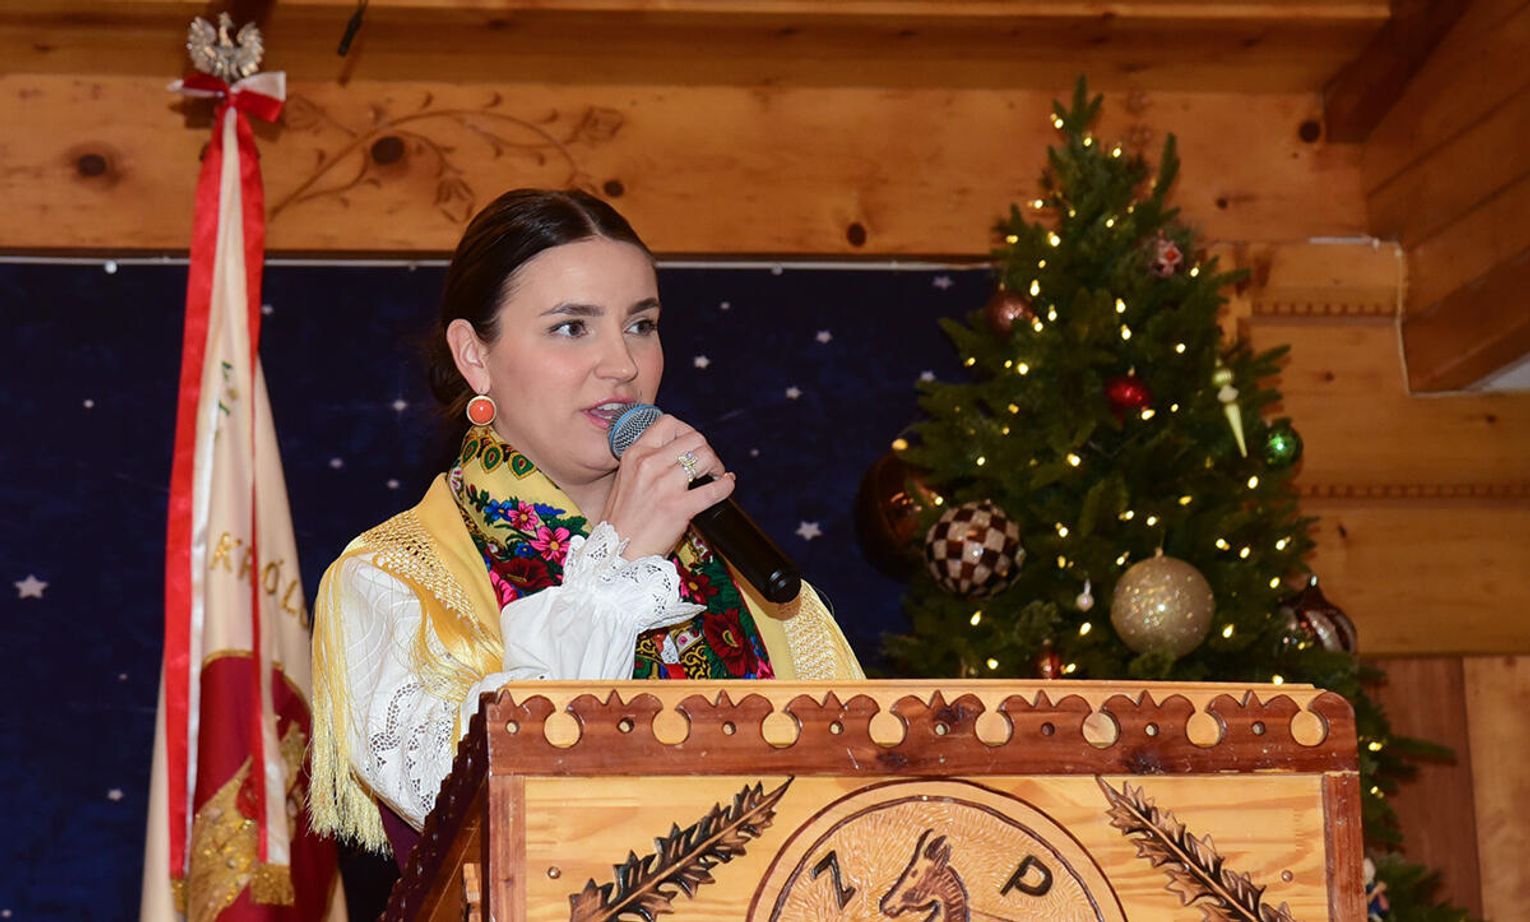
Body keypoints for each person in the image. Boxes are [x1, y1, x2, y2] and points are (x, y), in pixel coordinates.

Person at [307, 188, 863, 863]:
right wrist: (618, 567)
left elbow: (856, 811)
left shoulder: (746, 576)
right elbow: (474, 804)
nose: (623, 365)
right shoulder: (395, 579)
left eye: (642, 325)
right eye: (572, 327)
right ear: (474, 355)